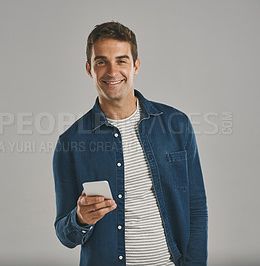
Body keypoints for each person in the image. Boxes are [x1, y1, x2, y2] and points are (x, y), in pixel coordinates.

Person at [53, 21, 208, 266]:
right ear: (89, 69)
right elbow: (65, 234)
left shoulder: (176, 125)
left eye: (122, 60)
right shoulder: (71, 143)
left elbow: (196, 207)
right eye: (101, 61)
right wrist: (80, 219)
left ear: (136, 65)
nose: (112, 71)